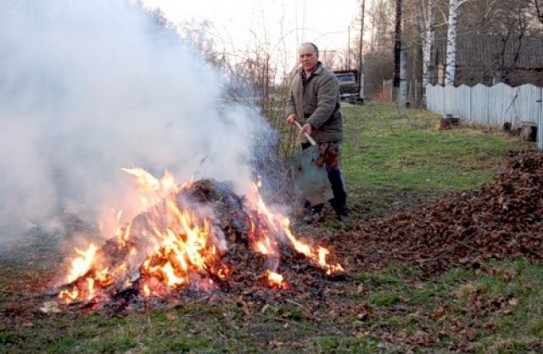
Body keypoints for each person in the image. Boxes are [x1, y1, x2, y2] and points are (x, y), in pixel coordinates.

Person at [286, 42, 350, 224]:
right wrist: (291, 113)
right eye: (302, 56)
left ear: (317, 55)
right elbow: (291, 101)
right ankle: (314, 210)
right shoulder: (297, 78)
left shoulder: (327, 78)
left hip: (327, 134)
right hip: (307, 133)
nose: (305, 59)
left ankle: (341, 208)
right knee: (311, 173)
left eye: (309, 55)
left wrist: (311, 124)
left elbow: (326, 106)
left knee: (330, 171)